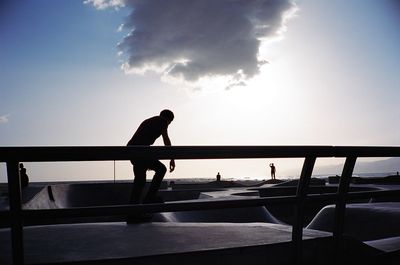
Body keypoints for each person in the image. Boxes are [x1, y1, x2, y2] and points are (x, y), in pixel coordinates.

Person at [127, 109, 175, 205]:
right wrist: (172, 158)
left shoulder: (151, 120)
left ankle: (133, 210)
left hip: (134, 151)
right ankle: (149, 198)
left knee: (139, 181)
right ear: (169, 120)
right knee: (161, 169)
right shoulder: (162, 121)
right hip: (141, 152)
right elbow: (166, 139)